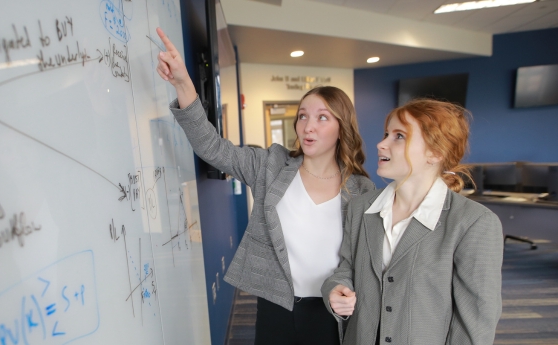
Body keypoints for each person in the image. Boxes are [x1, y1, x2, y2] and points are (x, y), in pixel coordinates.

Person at [154, 27, 374, 344]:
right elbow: (213, 149)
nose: (308, 126)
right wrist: (183, 83)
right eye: (302, 116)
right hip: (275, 305)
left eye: (323, 117)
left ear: (342, 126)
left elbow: (360, 258)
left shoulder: (361, 190)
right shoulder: (271, 165)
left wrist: (348, 289)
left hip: (329, 311)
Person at [322, 99, 503, 344]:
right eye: (386, 134)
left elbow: (476, 323)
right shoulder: (361, 207)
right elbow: (346, 269)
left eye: (399, 136)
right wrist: (335, 288)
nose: (381, 144)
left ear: (436, 153)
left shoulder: (474, 222)